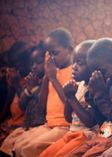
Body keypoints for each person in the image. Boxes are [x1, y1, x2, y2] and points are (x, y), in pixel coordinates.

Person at [65, 38, 112, 157]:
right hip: (105, 135)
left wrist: (102, 96)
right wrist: (94, 98)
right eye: (95, 73)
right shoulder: (110, 83)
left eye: (102, 71)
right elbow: (104, 123)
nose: (99, 76)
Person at [14, 28, 74, 157]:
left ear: (69, 50)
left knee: (29, 149)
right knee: (18, 144)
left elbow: (70, 103)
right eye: (49, 54)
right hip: (49, 124)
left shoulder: (74, 72)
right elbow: (42, 106)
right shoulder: (52, 71)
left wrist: (52, 78)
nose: (52, 58)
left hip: (65, 126)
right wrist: (48, 76)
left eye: (55, 53)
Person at [39, 40, 99, 157]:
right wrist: (68, 96)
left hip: (87, 135)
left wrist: (71, 98)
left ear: (94, 66)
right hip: (72, 132)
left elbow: (91, 122)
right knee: (45, 154)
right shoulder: (79, 85)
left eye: (80, 63)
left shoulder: (95, 88)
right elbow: (68, 118)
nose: (74, 67)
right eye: (74, 62)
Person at [0, 43, 46, 156]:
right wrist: (27, 90)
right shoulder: (30, 80)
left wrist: (33, 88)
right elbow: (22, 104)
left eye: (38, 62)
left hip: (38, 126)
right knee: (6, 147)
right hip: (27, 126)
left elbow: (42, 107)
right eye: (32, 63)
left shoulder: (46, 82)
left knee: (21, 148)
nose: (34, 66)